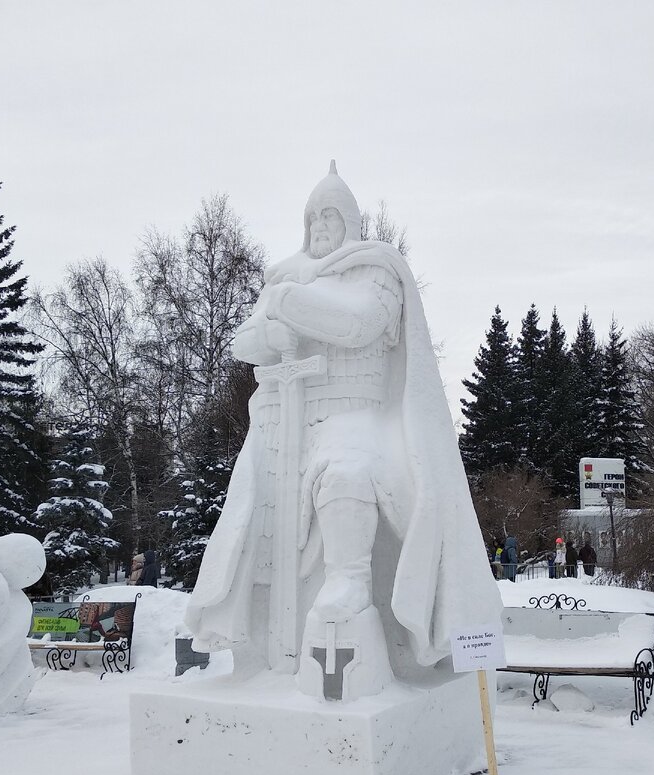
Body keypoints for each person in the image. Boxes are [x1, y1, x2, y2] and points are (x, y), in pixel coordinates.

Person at [183, 162, 497, 689]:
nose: (322, 225)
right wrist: (277, 324)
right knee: (250, 503)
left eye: (332, 214)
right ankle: (253, 635)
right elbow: (245, 343)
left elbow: (356, 324)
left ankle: (347, 581)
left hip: (356, 411)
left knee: (347, 472)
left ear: (350, 221)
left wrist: (285, 305)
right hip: (284, 417)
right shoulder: (285, 273)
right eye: (314, 216)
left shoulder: (376, 270)